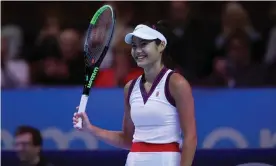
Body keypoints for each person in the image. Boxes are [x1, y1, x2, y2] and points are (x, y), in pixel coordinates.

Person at [73, 20, 197, 166]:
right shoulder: (130, 88)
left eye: (144, 44)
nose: (137, 51)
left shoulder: (177, 83)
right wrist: (91, 129)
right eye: (134, 46)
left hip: (167, 160)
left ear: (161, 46)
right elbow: (127, 139)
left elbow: (191, 137)